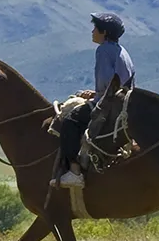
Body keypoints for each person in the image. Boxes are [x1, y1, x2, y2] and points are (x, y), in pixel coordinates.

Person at [55, 12, 135, 189]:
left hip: (111, 105)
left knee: (71, 120)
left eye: (95, 28)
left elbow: (106, 81)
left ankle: (75, 171)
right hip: (124, 102)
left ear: (104, 32)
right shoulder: (121, 51)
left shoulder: (103, 50)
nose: (92, 32)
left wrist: (95, 96)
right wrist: (94, 93)